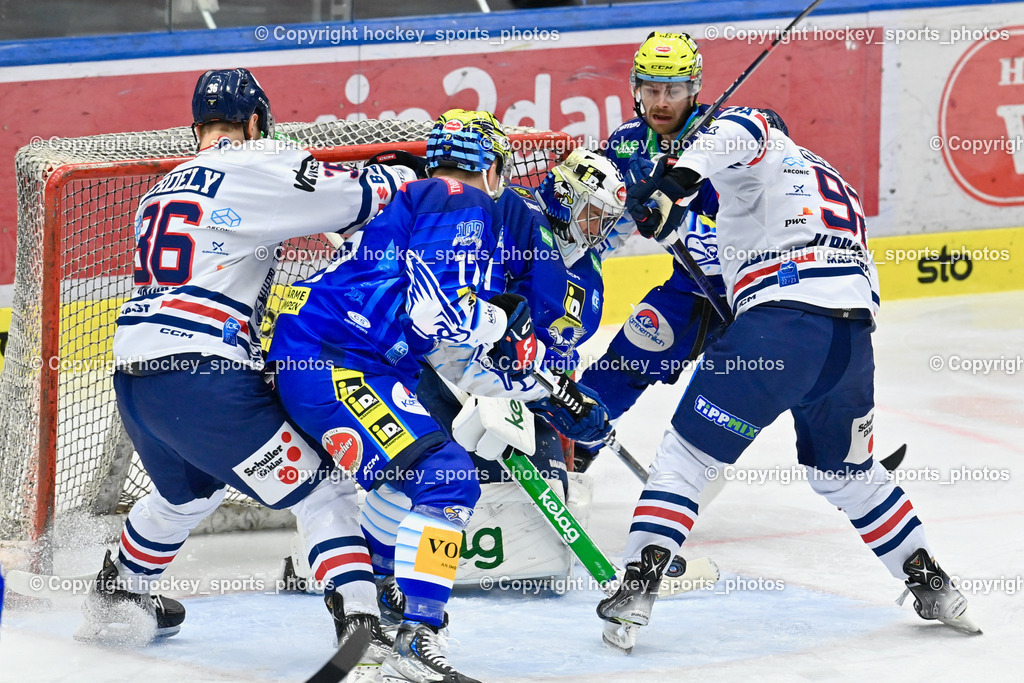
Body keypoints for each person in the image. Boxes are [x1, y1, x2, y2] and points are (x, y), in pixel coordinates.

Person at [595, 100, 981, 653]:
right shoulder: (829, 181)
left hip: (781, 325)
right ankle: (934, 585)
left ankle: (636, 588)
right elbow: (741, 252)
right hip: (849, 342)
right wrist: (674, 223)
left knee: (688, 458)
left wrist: (675, 178)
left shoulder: (758, 143)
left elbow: (740, 129)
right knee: (847, 473)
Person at [81, 68, 417, 658]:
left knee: (192, 494)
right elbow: (357, 199)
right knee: (323, 490)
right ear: (255, 121)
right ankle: (364, 628)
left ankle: (120, 592)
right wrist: (405, 170)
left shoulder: (163, 188)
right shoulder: (260, 160)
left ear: (197, 128)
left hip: (135, 380)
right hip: (201, 375)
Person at [268, 109, 610, 683]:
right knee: (449, 475)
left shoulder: (429, 196)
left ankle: (381, 609)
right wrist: (509, 337)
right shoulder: (460, 199)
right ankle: (416, 633)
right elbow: (442, 312)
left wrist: (531, 382)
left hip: (342, 357)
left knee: (415, 477)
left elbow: (444, 338)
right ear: (493, 166)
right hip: (335, 359)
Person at [363, 148, 626, 625]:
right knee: (433, 465)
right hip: (433, 356)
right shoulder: (506, 206)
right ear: (565, 197)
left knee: (540, 478)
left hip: (497, 378)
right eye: (593, 213)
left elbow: (546, 358)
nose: (599, 229)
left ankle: (440, 556)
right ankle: (378, 564)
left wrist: (561, 398)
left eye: (607, 219)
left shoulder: (588, 284)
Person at [574, 32, 732, 472]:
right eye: (651, 89)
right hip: (690, 291)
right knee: (622, 363)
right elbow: (608, 223)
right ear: (635, 89)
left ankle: (845, 458)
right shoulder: (628, 143)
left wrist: (678, 220)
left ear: (694, 90)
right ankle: (569, 454)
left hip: (756, 289)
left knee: (788, 372)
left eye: (674, 90)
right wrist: (571, 261)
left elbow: (744, 234)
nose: (661, 101)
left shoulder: (721, 140)